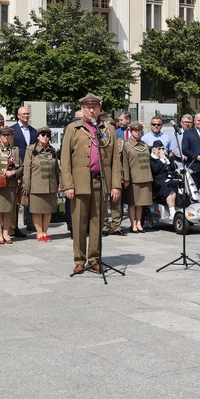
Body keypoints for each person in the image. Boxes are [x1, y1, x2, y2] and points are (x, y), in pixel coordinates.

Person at [60, 93, 122, 275]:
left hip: (101, 182)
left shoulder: (108, 129)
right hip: (79, 183)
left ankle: (94, 259)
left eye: (94, 107)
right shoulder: (73, 128)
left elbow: (114, 160)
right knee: (79, 224)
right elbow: (65, 159)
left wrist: (115, 185)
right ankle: (79, 260)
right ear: (82, 109)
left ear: (99, 108)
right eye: (87, 108)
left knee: (97, 223)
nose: (91, 111)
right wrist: (68, 185)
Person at [22, 126, 61, 241]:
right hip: (36, 186)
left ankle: (45, 232)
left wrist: (60, 184)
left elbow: (57, 169)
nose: (45, 137)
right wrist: (26, 186)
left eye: (47, 136)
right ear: (38, 137)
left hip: (50, 186)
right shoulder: (31, 150)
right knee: (37, 211)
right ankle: (39, 233)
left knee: (48, 211)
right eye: (43, 135)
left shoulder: (52, 150)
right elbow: (27, 169)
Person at [121, 121, 153, 233]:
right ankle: (132, 224)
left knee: (141, 203)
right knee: (132, 203)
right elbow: (125, 163)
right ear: (131, 131)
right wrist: (126, 179)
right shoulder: (126, 145)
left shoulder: (144, 145)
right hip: (133, 178)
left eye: (139, 130)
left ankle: (139, 222)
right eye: (135, 130)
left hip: (145, 177)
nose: (137, 132)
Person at [10, 107, 36, 238]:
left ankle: (31, 222)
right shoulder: (12, 130)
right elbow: (11, 149)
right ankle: (13, 227)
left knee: (30, 195)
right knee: (15, 198)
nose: (26, 115)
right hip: (17, 166)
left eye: (27, 113)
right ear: (18, 116)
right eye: (24, 114)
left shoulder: (33, 131)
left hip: (31, 167)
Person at [149, 142, 178, 211]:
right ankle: (172, 210)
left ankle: (174, 208)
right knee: (168, 186)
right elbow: (155, 169)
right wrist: (161, 160)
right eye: (159, 148)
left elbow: (174, 167)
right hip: (158, 181)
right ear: (154, 150)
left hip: (169, 179)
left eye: (163, 148)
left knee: (174, 184)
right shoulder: (151, 159)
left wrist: (168, 161)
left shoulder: (166, 157)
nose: (161, 150)